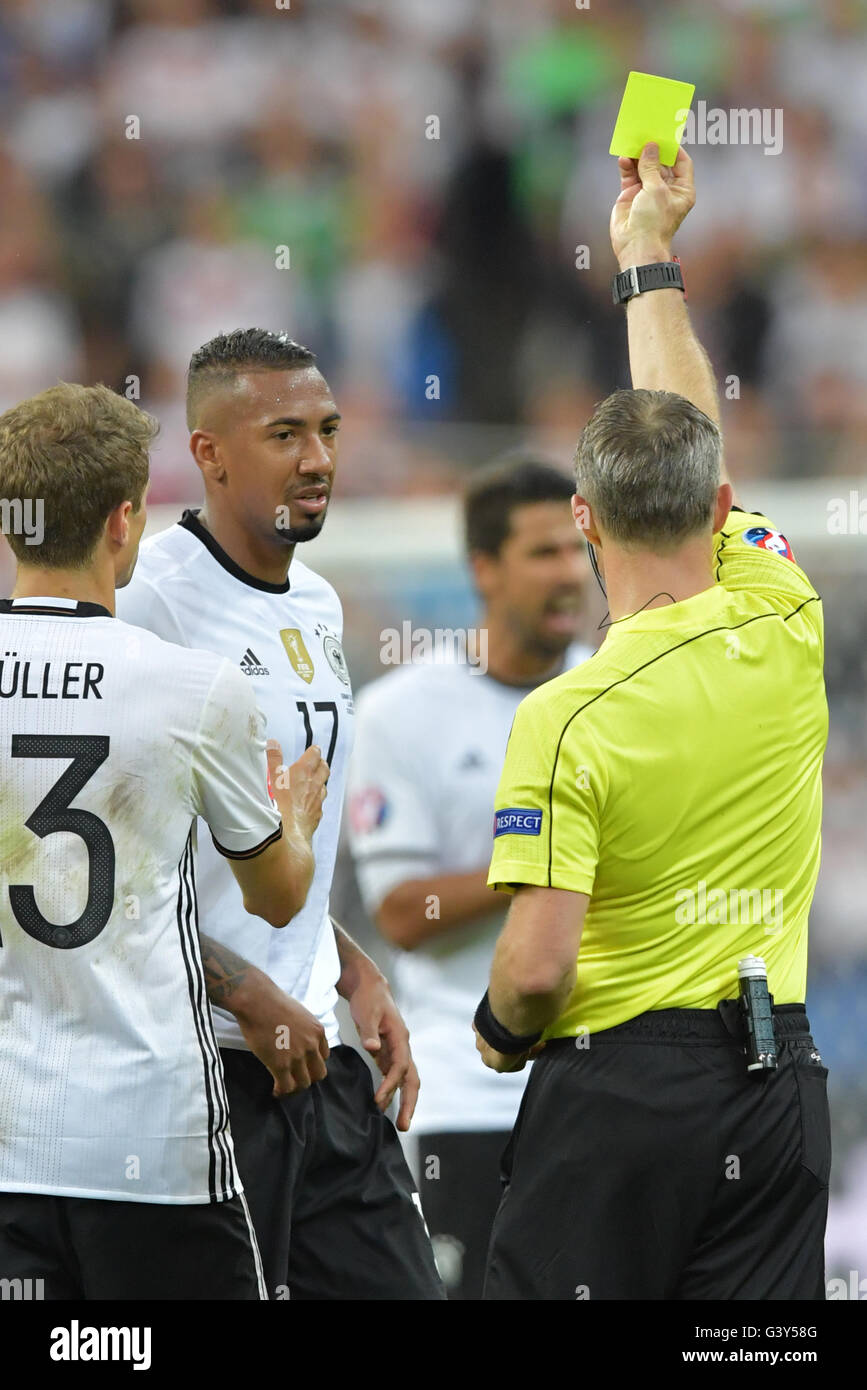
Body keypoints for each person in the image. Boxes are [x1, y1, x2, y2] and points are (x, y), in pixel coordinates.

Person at [474, 144, 830, 1300]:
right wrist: (650, 257)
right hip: (777, 1085)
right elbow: (693, 436)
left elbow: (537, 968)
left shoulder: (566, 716)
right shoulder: (785, 613)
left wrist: (494, 1033)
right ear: (723, 510)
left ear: (581, 516)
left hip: (619, 1093)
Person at [117, 329, 444, 1301]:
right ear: (209, 454)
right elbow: (109, 866)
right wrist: (248, 994)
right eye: (286, 434)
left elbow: (268, 840)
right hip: (208, 1064)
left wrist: (348, 965)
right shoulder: (149, 608)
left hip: (321, 1054)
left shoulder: (316, 603)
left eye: (331, 430)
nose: (319, 460)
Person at [0, 382, 327, 1300]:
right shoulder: (191, 688)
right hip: (147, 1139)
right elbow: (275, 895)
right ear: (124, 519)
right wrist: (293, 817)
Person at [347, 456, 592, 1298]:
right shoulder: (400, 712)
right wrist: (550, 854)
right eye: (543, 553)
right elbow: (401, 912)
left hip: (607, 1082)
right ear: (483, 568)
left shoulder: (620, 693)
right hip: (471, 1090)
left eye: (576, 548)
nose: (569, 573)